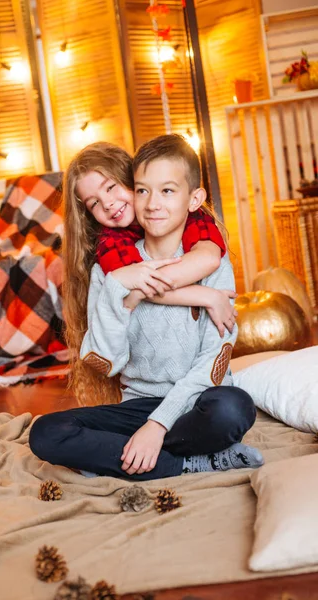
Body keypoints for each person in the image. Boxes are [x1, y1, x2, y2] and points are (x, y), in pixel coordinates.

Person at [29, 134, 262, 480]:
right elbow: (107, 362)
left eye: (166, 191)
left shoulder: (208, 258)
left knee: (233, 407)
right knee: (45, 432)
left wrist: (157, 426)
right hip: (139, 405)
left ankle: (122, 459)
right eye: (143, 192)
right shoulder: (107, 270)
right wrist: (118, 289)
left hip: (196, 404)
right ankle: (189, 464)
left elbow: (212, 362)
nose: (152, 203)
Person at [61, 141, 237, 408]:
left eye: (111, 187)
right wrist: (207, 296)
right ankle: (161, 443)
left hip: (200, 398)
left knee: (231, 408)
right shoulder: (112, 245)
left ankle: (159, 439)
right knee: (49, 432)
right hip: (142, 399)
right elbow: (138, 289)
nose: (108, 204)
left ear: (132, 180)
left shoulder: (192, 218)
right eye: (94, 202)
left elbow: (209, 257)